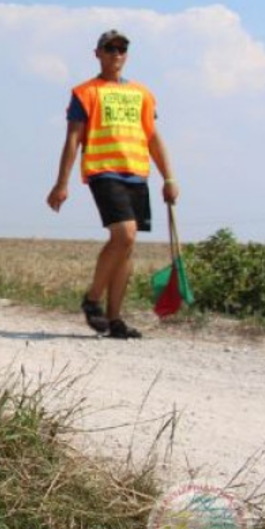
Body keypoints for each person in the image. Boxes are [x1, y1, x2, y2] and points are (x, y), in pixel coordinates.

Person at [47, 30, 177, 340]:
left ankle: (115, 319)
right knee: (124, 234)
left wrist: (169, 178)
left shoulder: (142, 94)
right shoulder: (85, 92)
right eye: (110, 48)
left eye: (121, 48)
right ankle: (93, 299)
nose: (116, 53)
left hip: (137, 173)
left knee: (127, 247)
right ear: (98, 53)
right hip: (104, 172)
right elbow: (73, 139)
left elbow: (153, 138)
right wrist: (61, 183)